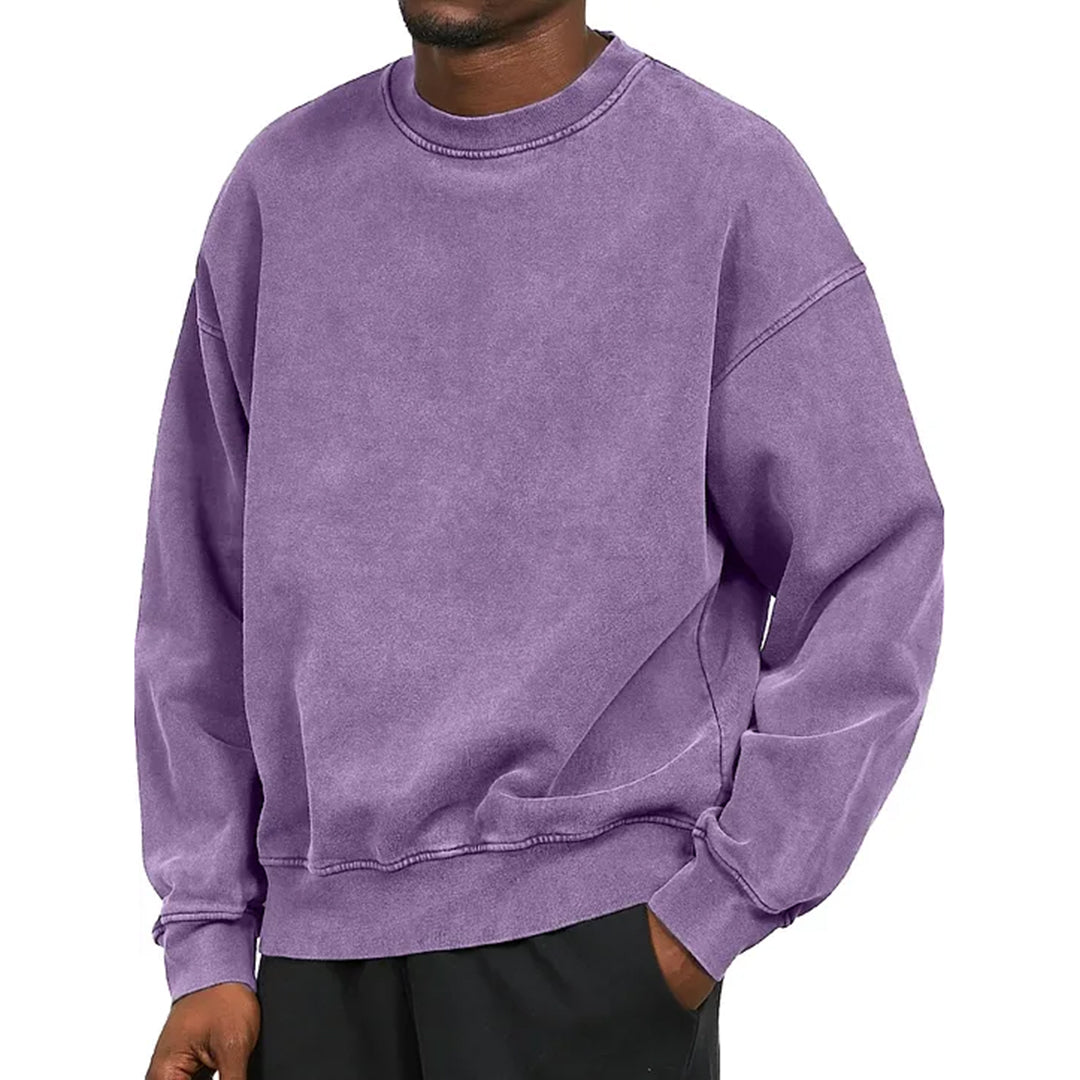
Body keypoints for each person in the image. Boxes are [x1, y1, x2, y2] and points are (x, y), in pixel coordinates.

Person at [136, 2, 945, 1077]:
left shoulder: (721, 179)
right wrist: (207, 943)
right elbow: (199, 602)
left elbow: (873, 562)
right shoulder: (279, 193)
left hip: (593, 953)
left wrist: (711, 914)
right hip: (309, 968)